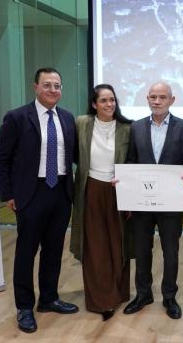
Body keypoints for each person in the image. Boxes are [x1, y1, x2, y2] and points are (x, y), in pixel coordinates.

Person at [0, 67, 79, 333]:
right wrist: (7, 194)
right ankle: (25, 307)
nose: (54, 90)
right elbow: (1, 158)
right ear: (35, 87)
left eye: (57, 86)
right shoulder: (17, 117)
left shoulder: (67, 118)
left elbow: (74, 155)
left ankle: (49, 298)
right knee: (26, 253)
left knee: (53, 250)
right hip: (31, 194)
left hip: (61, 192)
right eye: (48, 85)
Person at [121, 82, 183, 319]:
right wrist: (124, 181)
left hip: (171, 202)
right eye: (153, 97)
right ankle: (143, 294)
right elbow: (131, 161)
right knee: (142, 250)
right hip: (142, 203)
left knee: (170, 252)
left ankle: (169, 297)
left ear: (172, 100)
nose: (157, 101)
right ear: (147, 99)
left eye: (162, 97)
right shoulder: (136, 127)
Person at [69, 84, 133, 322]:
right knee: (95, 247)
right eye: (104, 101)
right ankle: (102, 301)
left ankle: (119, 294)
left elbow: (134, 161)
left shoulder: (128, 128)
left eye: (112, 100)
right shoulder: (82, 123)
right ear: (94, 104)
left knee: (118, 245)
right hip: (90, 190)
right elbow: (75, 155)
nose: (110, 105)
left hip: (119, 191)